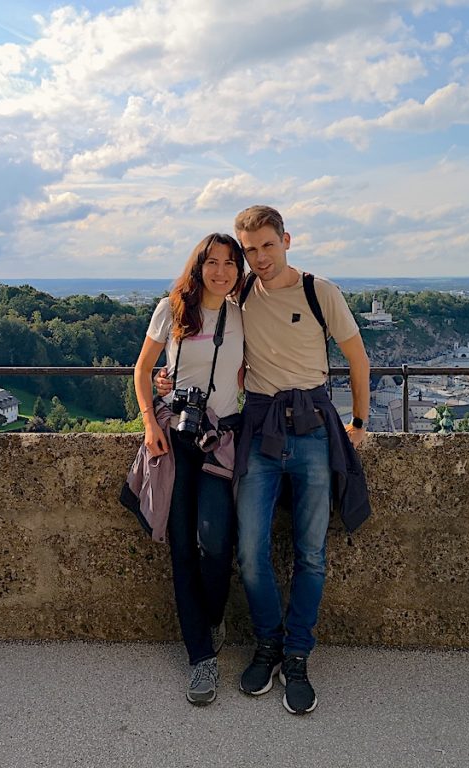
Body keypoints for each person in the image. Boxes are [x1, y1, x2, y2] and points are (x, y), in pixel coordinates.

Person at [158, 206, 372, 716]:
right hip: (258, 429)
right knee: (250, 552)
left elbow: (357, 358)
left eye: (266, 246)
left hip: (314, 427)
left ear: (287, 241)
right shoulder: (241, 295)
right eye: (249, 250)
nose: (258, 258)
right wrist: (168, 380)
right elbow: (205, 340)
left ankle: (296, 655)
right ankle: (268, 645)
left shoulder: (322, 293)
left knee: (311, 552)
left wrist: (359, 423)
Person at [131, 232, 245, 706]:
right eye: (211, 262)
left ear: (239, 271)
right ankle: (201, 657)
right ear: (197, 267)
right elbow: (143, 370)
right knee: (181, 546)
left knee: (216, 542)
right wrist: (147, 423)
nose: (220, 271)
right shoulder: (172, 309)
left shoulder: (244, 313)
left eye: (229, 263)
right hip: (177, 435)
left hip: (221, 438)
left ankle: (213, 616)